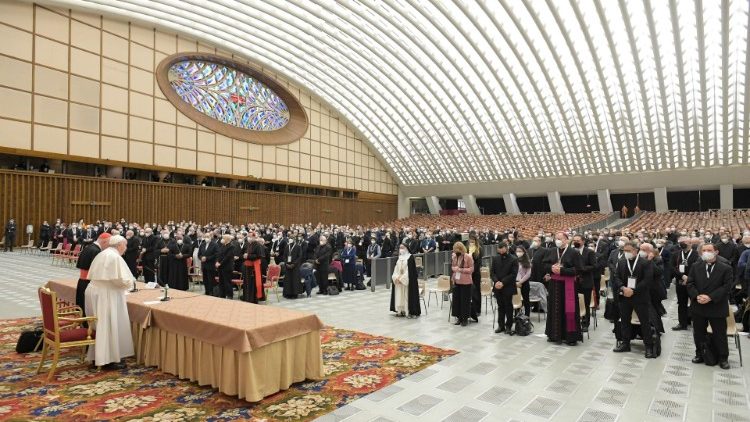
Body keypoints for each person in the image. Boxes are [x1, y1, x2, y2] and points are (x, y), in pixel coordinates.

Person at [85, 235, 134, 368]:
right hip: (105, 294)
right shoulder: (115, 256)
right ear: (119, 245)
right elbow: (120, 280)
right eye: (125, 245)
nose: (126, 248)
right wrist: (130, 283)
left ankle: (99, 356)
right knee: (107, 325)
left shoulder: (103, 253)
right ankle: (107, 360)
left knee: (100, 325)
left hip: (96, 291)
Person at [687, 243, 733, 369]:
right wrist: (697, 296)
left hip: (716, 305)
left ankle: (723, 357)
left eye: (709, 250)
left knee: (720, 334)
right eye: (704, 250)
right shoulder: (696, 266)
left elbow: (727, 286)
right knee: (698, 333)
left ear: (716, 252)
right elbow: (690, 283)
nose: (706, 252)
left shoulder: (725, 267)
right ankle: (700, 354)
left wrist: (710, 297)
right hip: (699, 305)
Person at [612, 241, 656, 358]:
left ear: (636, 251)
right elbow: (616, 277)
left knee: (644, 322)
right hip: (625, 296)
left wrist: (633, 291)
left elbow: (647, 280)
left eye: (628, 251)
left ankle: (649, 346)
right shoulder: (621, 262)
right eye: (624, 251)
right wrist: (623, 287)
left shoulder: (645, 263)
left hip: (640, 297)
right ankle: (625, 343)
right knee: (625, 321)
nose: (626, 253)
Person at [542, 232, 583, 346]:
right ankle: (554, 335)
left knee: (569, 310)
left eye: (560, 238)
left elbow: (578, 269)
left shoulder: (574, 252)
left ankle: (570, 337)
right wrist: (551, 267)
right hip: (554, 284)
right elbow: (544, 265)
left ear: (566, 240)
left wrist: (562, 270)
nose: (557, 240)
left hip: (568, 284)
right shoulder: (551, 251)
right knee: (554, 309)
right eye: (556, 238)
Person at [75, 233, 111, 317]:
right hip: (89, 282)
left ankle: (82, 325)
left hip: (82, 281)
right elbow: (97, 270)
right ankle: (87, 328)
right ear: (104, 242)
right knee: (87, 309)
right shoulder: (96, 251)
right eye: (108, 245)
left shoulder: (88, 247)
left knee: (81, 307)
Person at [672, 236, 699, 331]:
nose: (682, 243)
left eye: (685, 242)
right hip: (680, 282)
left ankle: (696, 323)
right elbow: (673, 267)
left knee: (695, 303)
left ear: (690, 243)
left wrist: (689, 278)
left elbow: (698, 268)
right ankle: (682, 323)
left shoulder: (696, 254)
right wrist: (682, 276)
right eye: (681, 242)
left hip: (693, 283)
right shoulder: (676, 254)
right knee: (681, 303)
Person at [492, 242, 519, 333]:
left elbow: (513, 274)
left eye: (501, 248)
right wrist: (496, 281)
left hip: (508, 286)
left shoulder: (513, 259)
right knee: (500, 306)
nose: (499, 249)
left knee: (508, 306)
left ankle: (508, 326)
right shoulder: (495, 258)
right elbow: (493, 273)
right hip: (497, 286)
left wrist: (503, 282)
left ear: (506, 248)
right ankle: (501, 325)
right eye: (498, 248)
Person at [390, 244, 420, 318]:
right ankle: (400, 310)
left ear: (406, 248)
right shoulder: (399, 258)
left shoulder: (410, 257)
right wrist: (396, 277)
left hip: (406, 281)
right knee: (399, 296)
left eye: (402, 248)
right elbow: (396, 269)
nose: (401, 249)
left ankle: (409, 311)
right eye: (400, 248)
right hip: (399, 281)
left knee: (407, 296)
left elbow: (410, 271)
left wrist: (402, 278)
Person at [573, 234, 596, 331]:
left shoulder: (589, 252)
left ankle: (585, 323)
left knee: (585, 303)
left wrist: (583, 269)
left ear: (583, 241)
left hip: (586, 281)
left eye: (578, 240)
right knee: (575, 302)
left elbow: (594, 266)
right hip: (574, 281)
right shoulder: (572, 251)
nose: (576, 242)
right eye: (574, 240)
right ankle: (576, 321)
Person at [451, 241, 474, 326]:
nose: (456, 252)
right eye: (454, 250)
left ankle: (465, 319)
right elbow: (452, 267)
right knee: (457, 300)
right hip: (457, 281)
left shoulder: (468, 257)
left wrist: (460, 270)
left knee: (465, 301)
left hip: (466, 282)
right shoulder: (454, 257)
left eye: (457, 250)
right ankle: (459, 318)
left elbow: (471, 269)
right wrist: (455, 269)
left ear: (461, 249)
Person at [243, 234, 266, 303]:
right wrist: (244, 255)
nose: (249, 238)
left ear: (254, 238)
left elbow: (259, 256)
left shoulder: (258, 245)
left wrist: (248, 256)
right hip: (247, 266)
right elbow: (244, 253)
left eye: (250, 237)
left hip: (254, 267)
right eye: (248, 237)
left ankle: (253, 298)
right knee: (247, 282)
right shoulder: (248, 244)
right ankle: (247, 297)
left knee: (253, 283)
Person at [215, 234, 235, 299]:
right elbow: (219, 255)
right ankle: (222, 294)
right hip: (221, 267)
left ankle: (229, 295)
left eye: (223, 238)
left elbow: (227, 257)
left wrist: (220, 263)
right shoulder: (223, 245)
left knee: (227, 282)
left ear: (227, 239)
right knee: (221, 281)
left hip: (227, 267)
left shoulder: (231, 246)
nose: (222, 239)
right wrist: (217, 262)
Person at [468, 235, 483, 322]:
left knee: (477, 291)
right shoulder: (466, 249)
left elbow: (478, 262)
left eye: (473, 241)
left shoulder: (479, 249)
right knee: (470, 292)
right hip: (468, 273)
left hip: (476, 273)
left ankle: (477, 309)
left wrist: (472, 270)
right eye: (470, 241)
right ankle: (471, 309)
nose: (471, 243)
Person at [515, 245, 532, 317]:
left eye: (520, 251)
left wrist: (520, 282)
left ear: (523, 252)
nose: (518, 253)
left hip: (524, 283)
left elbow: (528, 274)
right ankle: (517, 315)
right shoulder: (514, 260)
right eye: (517, 251)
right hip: (515, 283)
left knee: (526, 300)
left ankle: (527, 316)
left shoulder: (527, 261)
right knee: (516, 299)